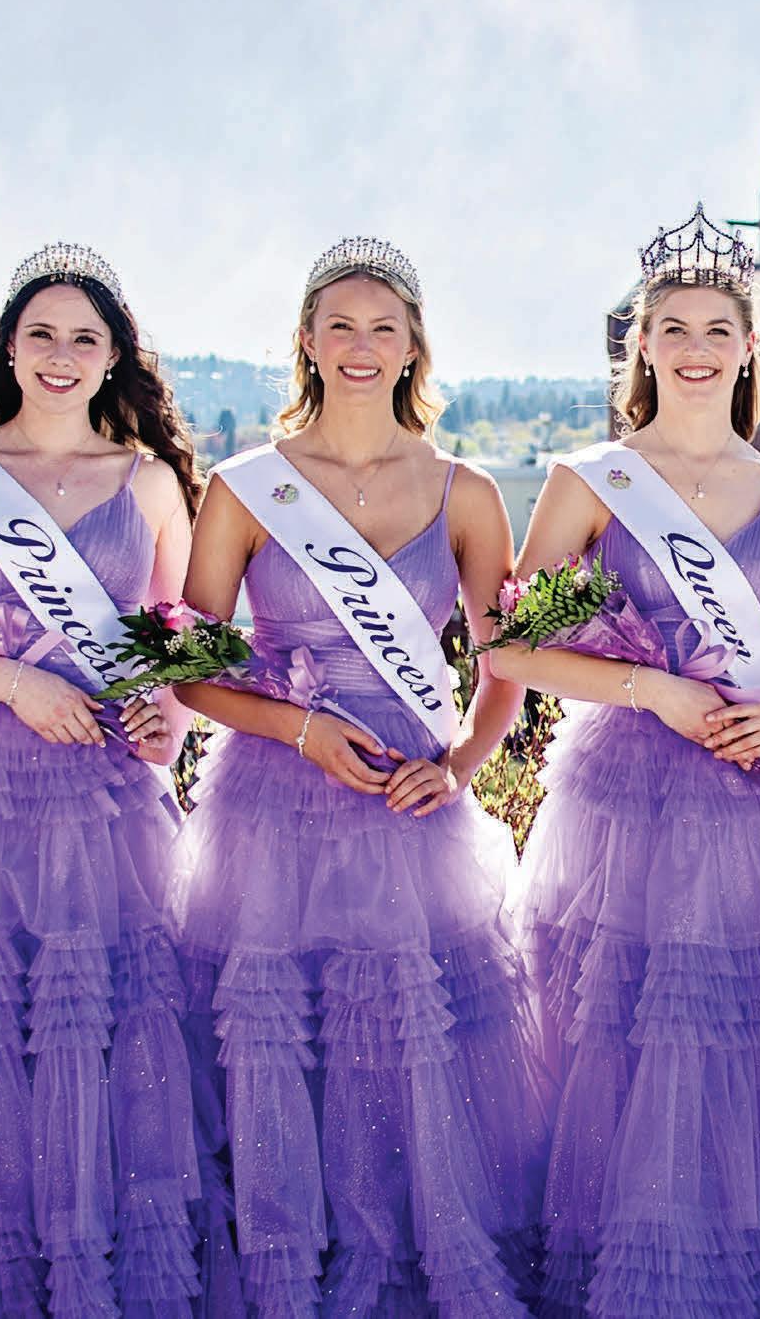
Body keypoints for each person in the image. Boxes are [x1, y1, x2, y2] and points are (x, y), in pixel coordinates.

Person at [492, 207, 760, 1318]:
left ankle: (743, 1272)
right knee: (618, 1031)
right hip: (621, 796)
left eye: (719, 328)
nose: (697, 347)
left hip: (755, 797)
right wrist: (650, 688)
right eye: (673, 327)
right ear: (643, 346)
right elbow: (510, 645)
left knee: (752, 1033)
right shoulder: (590, 480)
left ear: (750, 348)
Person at [0, 244, 238, 1316]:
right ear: (8, 350)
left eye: (83, 338)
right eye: (41, 335)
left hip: (103, 808)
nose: (61, 355)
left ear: (113, 358)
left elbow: (175, 656)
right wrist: (10, 682)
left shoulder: (151, 483)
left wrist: (164, 719)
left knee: (98, 1040)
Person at [168, 236, 547, 1316]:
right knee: (284, 1048)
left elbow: (505, 663)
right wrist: (300, 731)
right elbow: (191, 671)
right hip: (273, 800)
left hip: (407, 801)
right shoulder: (245, 488)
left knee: (404, 1052)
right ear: (306, 340)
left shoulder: (467, 490)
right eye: (340, 324)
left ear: (414, 346)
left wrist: (461, 765)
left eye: (384, 326)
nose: (361, 344)